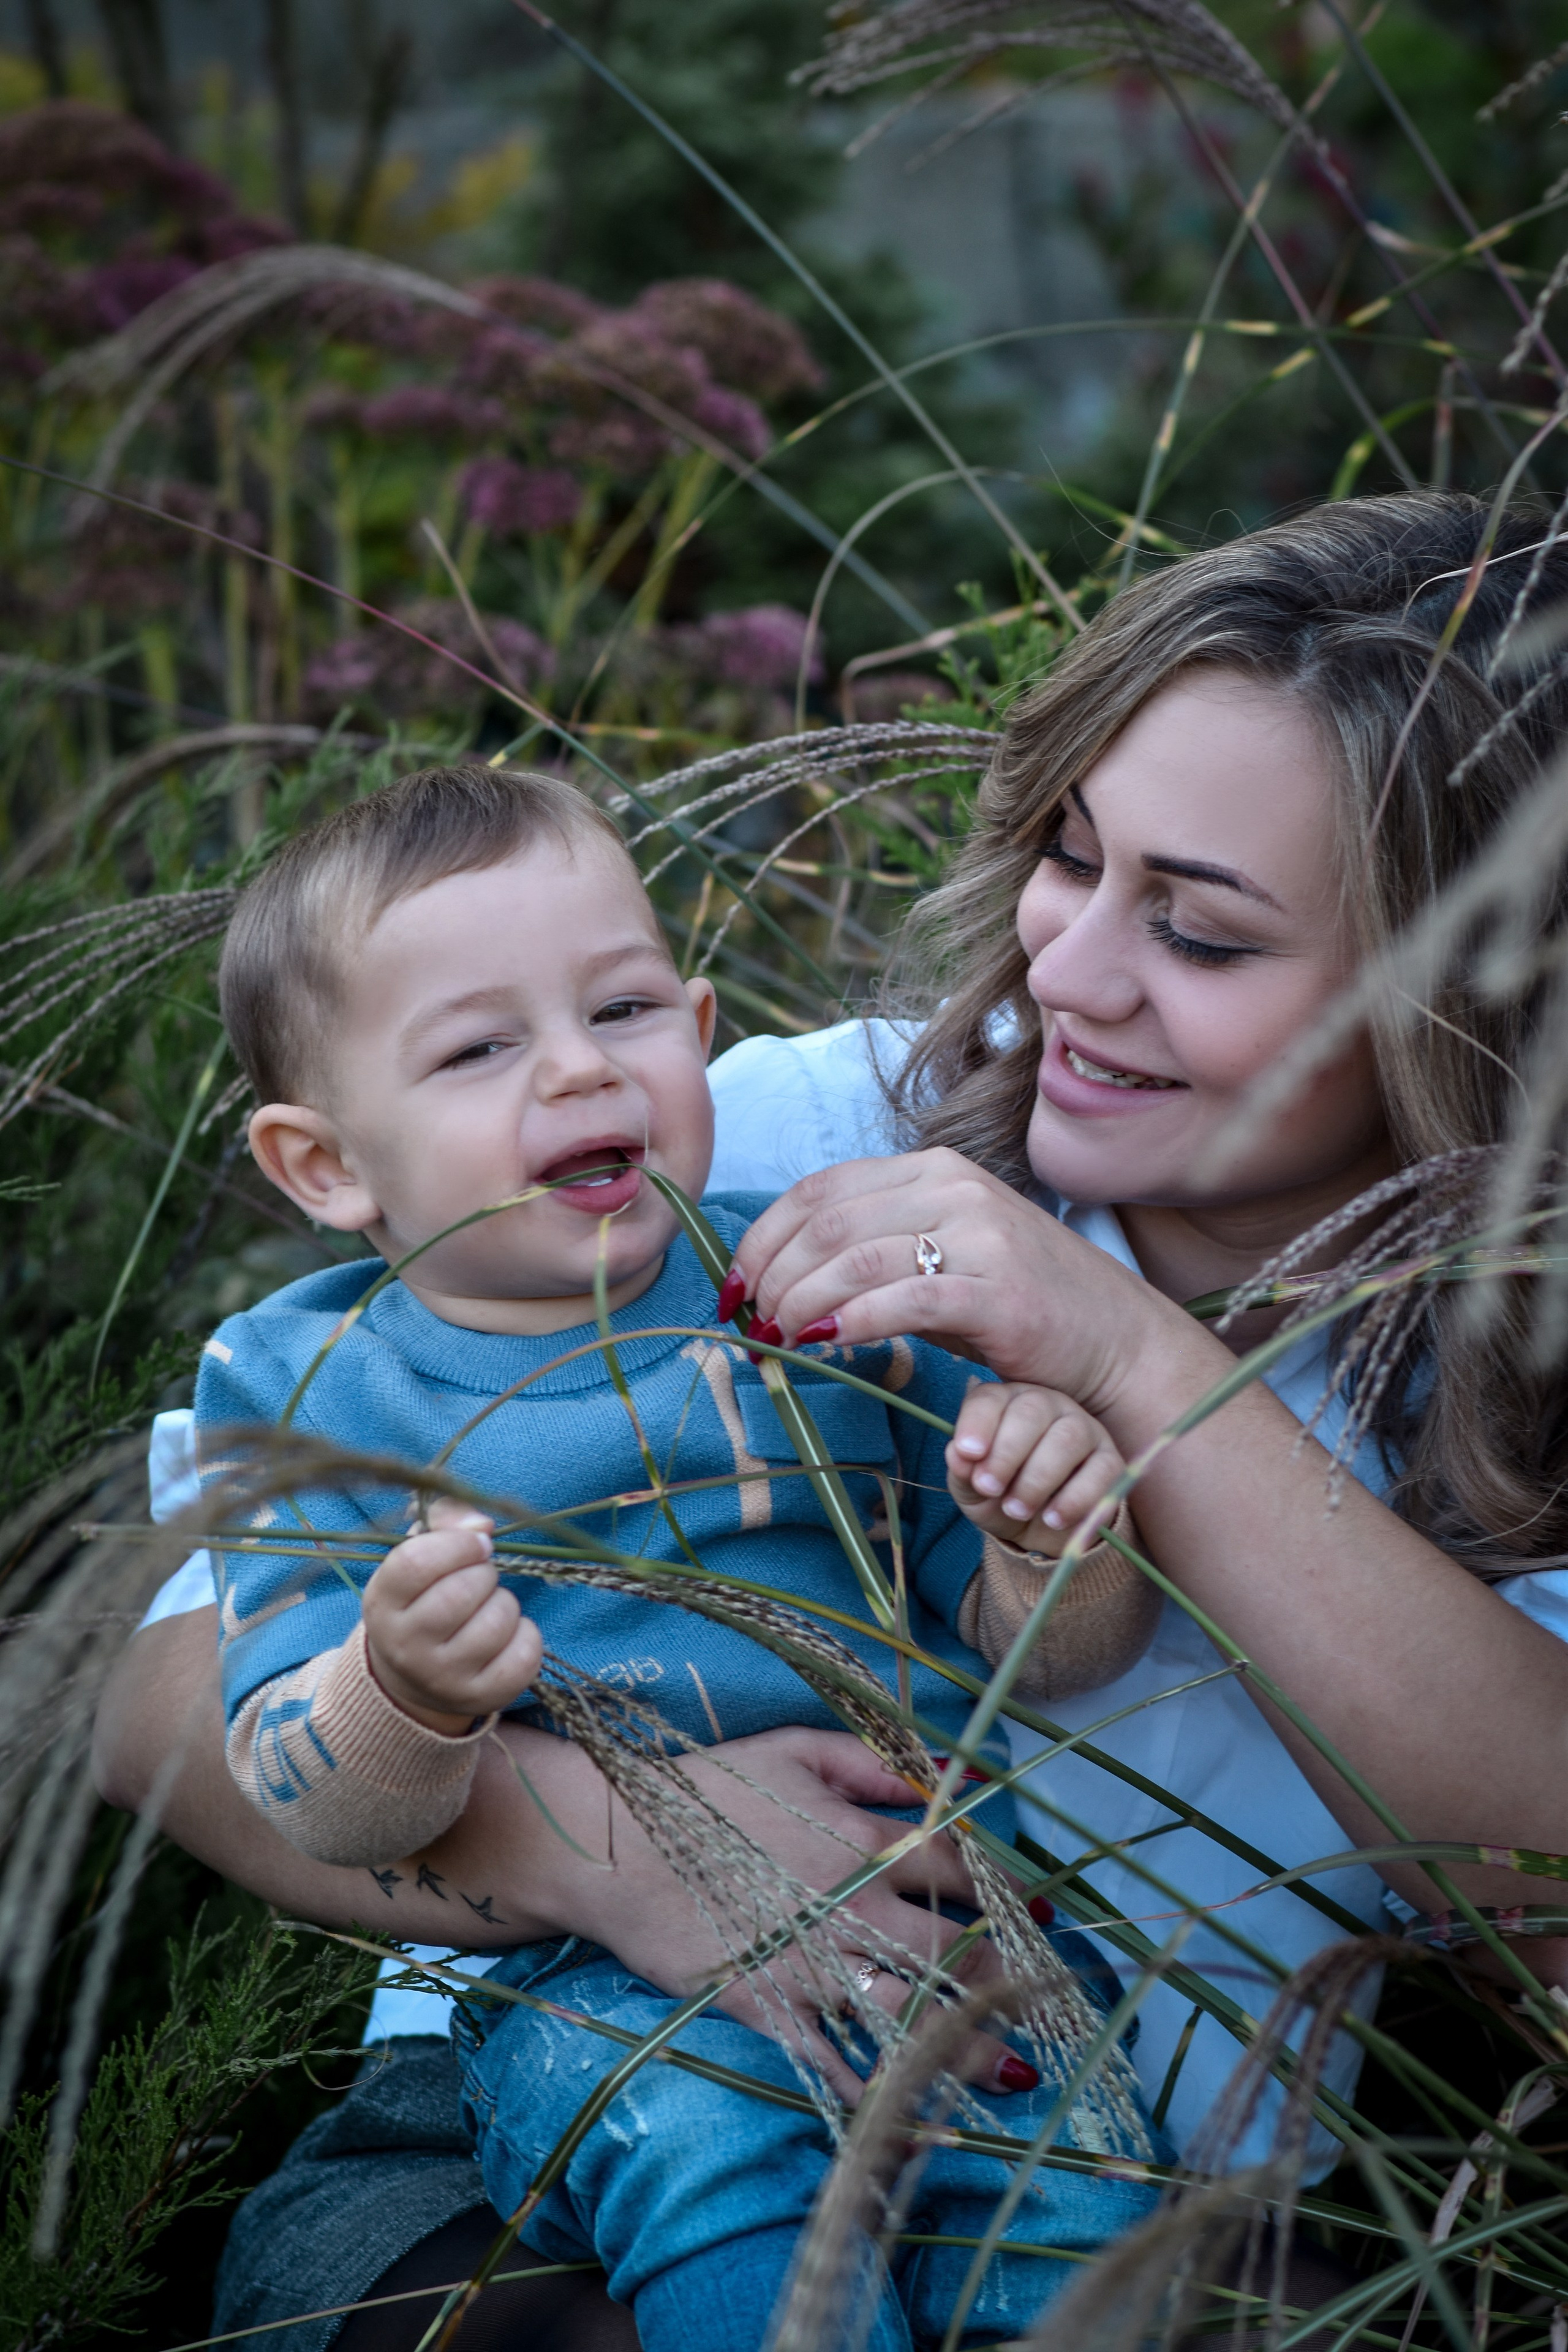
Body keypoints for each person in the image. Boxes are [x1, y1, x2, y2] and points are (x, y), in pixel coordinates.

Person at [93, 492, 1568, 2351]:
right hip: (533, 2143)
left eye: (1197, 934)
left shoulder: (1499, 1377)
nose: (1069, 970)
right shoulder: (774, 1143)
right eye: (1070, 856)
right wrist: (608, 1847)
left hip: (1092, 2180)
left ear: (1459, 998)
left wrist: (1130, 1362)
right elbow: (152, 1683)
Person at [190, 760, 1167, 2352]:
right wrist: (399, 1689)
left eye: (625, 1011)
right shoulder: (312, 1394)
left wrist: (1053, 1536)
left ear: (701, 1030)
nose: (581, 1072)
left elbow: (1034, 1657)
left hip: (941, 1918)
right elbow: (310, 1793)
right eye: (481, 1046)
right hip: (578, 1986)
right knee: (722, 2178)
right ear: (326, 1166)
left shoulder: (812, 1280)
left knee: (1083, 2215)